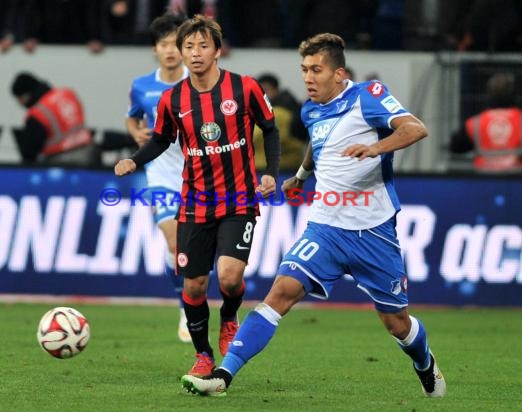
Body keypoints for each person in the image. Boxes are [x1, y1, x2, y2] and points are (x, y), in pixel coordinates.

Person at [180, 32, 446, 398]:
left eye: (316, 69)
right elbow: (317, 146)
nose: (308, 77)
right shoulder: (310, 109)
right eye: (304, 69)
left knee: (397, 323)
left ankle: (424, 363)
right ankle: (222, 376)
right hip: (325, 229)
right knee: (279, 293)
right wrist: (300, 178)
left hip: (373, 232)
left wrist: (375, 148)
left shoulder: (368, 96)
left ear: (339, 74)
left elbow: (416, 128)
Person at [114, 14, 280, 377]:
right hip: (195, 202)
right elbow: (160, 139)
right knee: (194, 283)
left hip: (238, 198)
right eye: (188, 46)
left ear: (217, 51)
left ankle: (230, 316)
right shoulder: (174, 99)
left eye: (203, 46)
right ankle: (203, 355)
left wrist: (270, 174)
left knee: (230, 278)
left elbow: (269, 128)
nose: (195, 53)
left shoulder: (244, 88)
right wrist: (133, 161)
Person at [125, 12, 191, 343]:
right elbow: (132, 118)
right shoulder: (142, 86)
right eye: (163, 44)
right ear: (155, 49)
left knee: (192, 252)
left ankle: (199, 296)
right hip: (162, 174)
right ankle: (185, 308)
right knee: (174, 243)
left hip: (198, 175)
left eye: (174, 44)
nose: (169, 51)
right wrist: (137, 134)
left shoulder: (198, 81)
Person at [11, 72, 100, 167]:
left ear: (27, 94)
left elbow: (29, 151)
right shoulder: (68, 94)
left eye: (20, 98)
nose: (20, 103)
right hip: (89, 152)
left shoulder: (37, 113)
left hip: (62, 161)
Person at [450, 72, 522, 173]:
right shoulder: (520, 119)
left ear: (489, 94)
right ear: (514, 94)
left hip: (483, 180)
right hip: (516, 180)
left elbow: (456, 147)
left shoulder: (476, 122)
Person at [253, 73, 307, 171]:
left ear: (276, 90)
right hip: (288, 166)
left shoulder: (277, 112)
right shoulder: (292, 106)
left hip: (276, 169)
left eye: (265, 91)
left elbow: (251, 137)